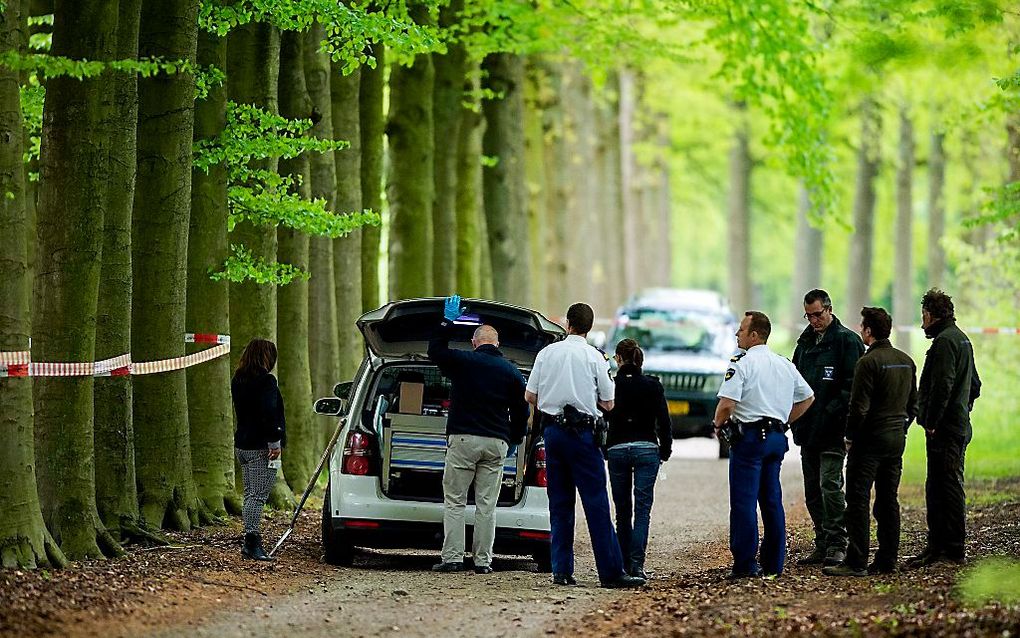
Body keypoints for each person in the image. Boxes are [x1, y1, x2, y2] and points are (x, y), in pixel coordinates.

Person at [525, 302, 645, 589]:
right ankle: (611, 572)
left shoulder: (546, 353)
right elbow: (609, 402)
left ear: (568, 323)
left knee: (560, 503)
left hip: (553, 432)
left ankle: (562, 571)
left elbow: (530, 396)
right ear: (590, 327)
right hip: (583, 435)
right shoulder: (595, 358)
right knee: (596, 503)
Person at [428, 295, 530, 575]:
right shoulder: (511, 371)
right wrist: (515, 438)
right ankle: (483, 562)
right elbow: (522, 411)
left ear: (475, 343)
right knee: (487, 505)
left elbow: (435, 351)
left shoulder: (463, 362)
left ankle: (452, 559)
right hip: (496, 443)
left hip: (463, 441)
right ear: (497, 344)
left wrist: (446, 321)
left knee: (456, 501)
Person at [714, 311, 814, 579]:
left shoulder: (741, 364)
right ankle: (773, 563)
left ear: (754, 334)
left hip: (750, 439)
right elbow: (807, 398)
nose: (737, 334)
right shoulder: (784, 364)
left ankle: (745, 564)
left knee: (744, 502)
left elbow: (726, 404)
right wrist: (784, 421)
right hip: (776, 438)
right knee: (771, 501)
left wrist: (717, 425)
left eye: (741, 330)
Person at [825, 307, 917, 577]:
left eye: (862, 325)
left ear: (867, 330)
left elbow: (859, 408)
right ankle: (887, 560)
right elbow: (914, 404)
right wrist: (901, 427)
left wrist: (850, 437)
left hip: (868, 443)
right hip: (895, 440)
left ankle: (856, 561)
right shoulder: (905, 360)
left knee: (858, 500)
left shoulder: (867, 363)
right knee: (888, 500)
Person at [907, 289, 981, 568]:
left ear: (931, 314)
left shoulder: (945, 343)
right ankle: (936, 547)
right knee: (937, 486)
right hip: (957, 425)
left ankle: (951, 549)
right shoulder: (961, 339)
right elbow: (974, 385)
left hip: (946, 430)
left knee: (947, 486)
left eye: (923, 316)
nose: (922, 322)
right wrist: (964, 409)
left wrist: (933, 422)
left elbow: (943, 386)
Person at [792, 289, 865, 567]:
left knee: (830, 485)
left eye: (818, 314)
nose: (813, 320)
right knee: (812, 489)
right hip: (807, 429)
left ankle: (837, 542)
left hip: (833, 430)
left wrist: (832, 412)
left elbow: (853, 387)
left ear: (829, 310)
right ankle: (822, 541)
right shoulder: (805, 344)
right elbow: (795, 382)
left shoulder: (847, 342)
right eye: (808, 316)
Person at [605, 339, 672, 580]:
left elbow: (603, 418)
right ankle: (637, 565)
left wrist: (604, 447)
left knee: (622, 510)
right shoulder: (653, 386)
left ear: (619, 359)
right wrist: (665, 449)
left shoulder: (612, 386)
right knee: (643, 510)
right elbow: (664, 421)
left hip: (618, 448)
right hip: (646, 449)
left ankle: (623, 565)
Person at [231, 338, 286, 561]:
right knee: (258, 496)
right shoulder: (267, 382)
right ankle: (252, 541)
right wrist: (274, 441)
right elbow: (269, 412)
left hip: (242, 445)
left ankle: (249, 540)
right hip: (261, 448)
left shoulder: (238, 380)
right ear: (267, 358)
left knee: (249, 495)